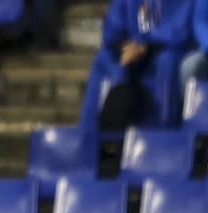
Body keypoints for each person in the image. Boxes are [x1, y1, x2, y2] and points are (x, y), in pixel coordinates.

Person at [80, 0, 192, 128]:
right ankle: (88, 132)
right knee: (103, 58)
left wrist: (145, 47)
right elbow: (112, 29)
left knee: (167, 60)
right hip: (128, 51)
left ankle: (161, 130)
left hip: (162, 50)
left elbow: (178, 31)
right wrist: (124, 47)